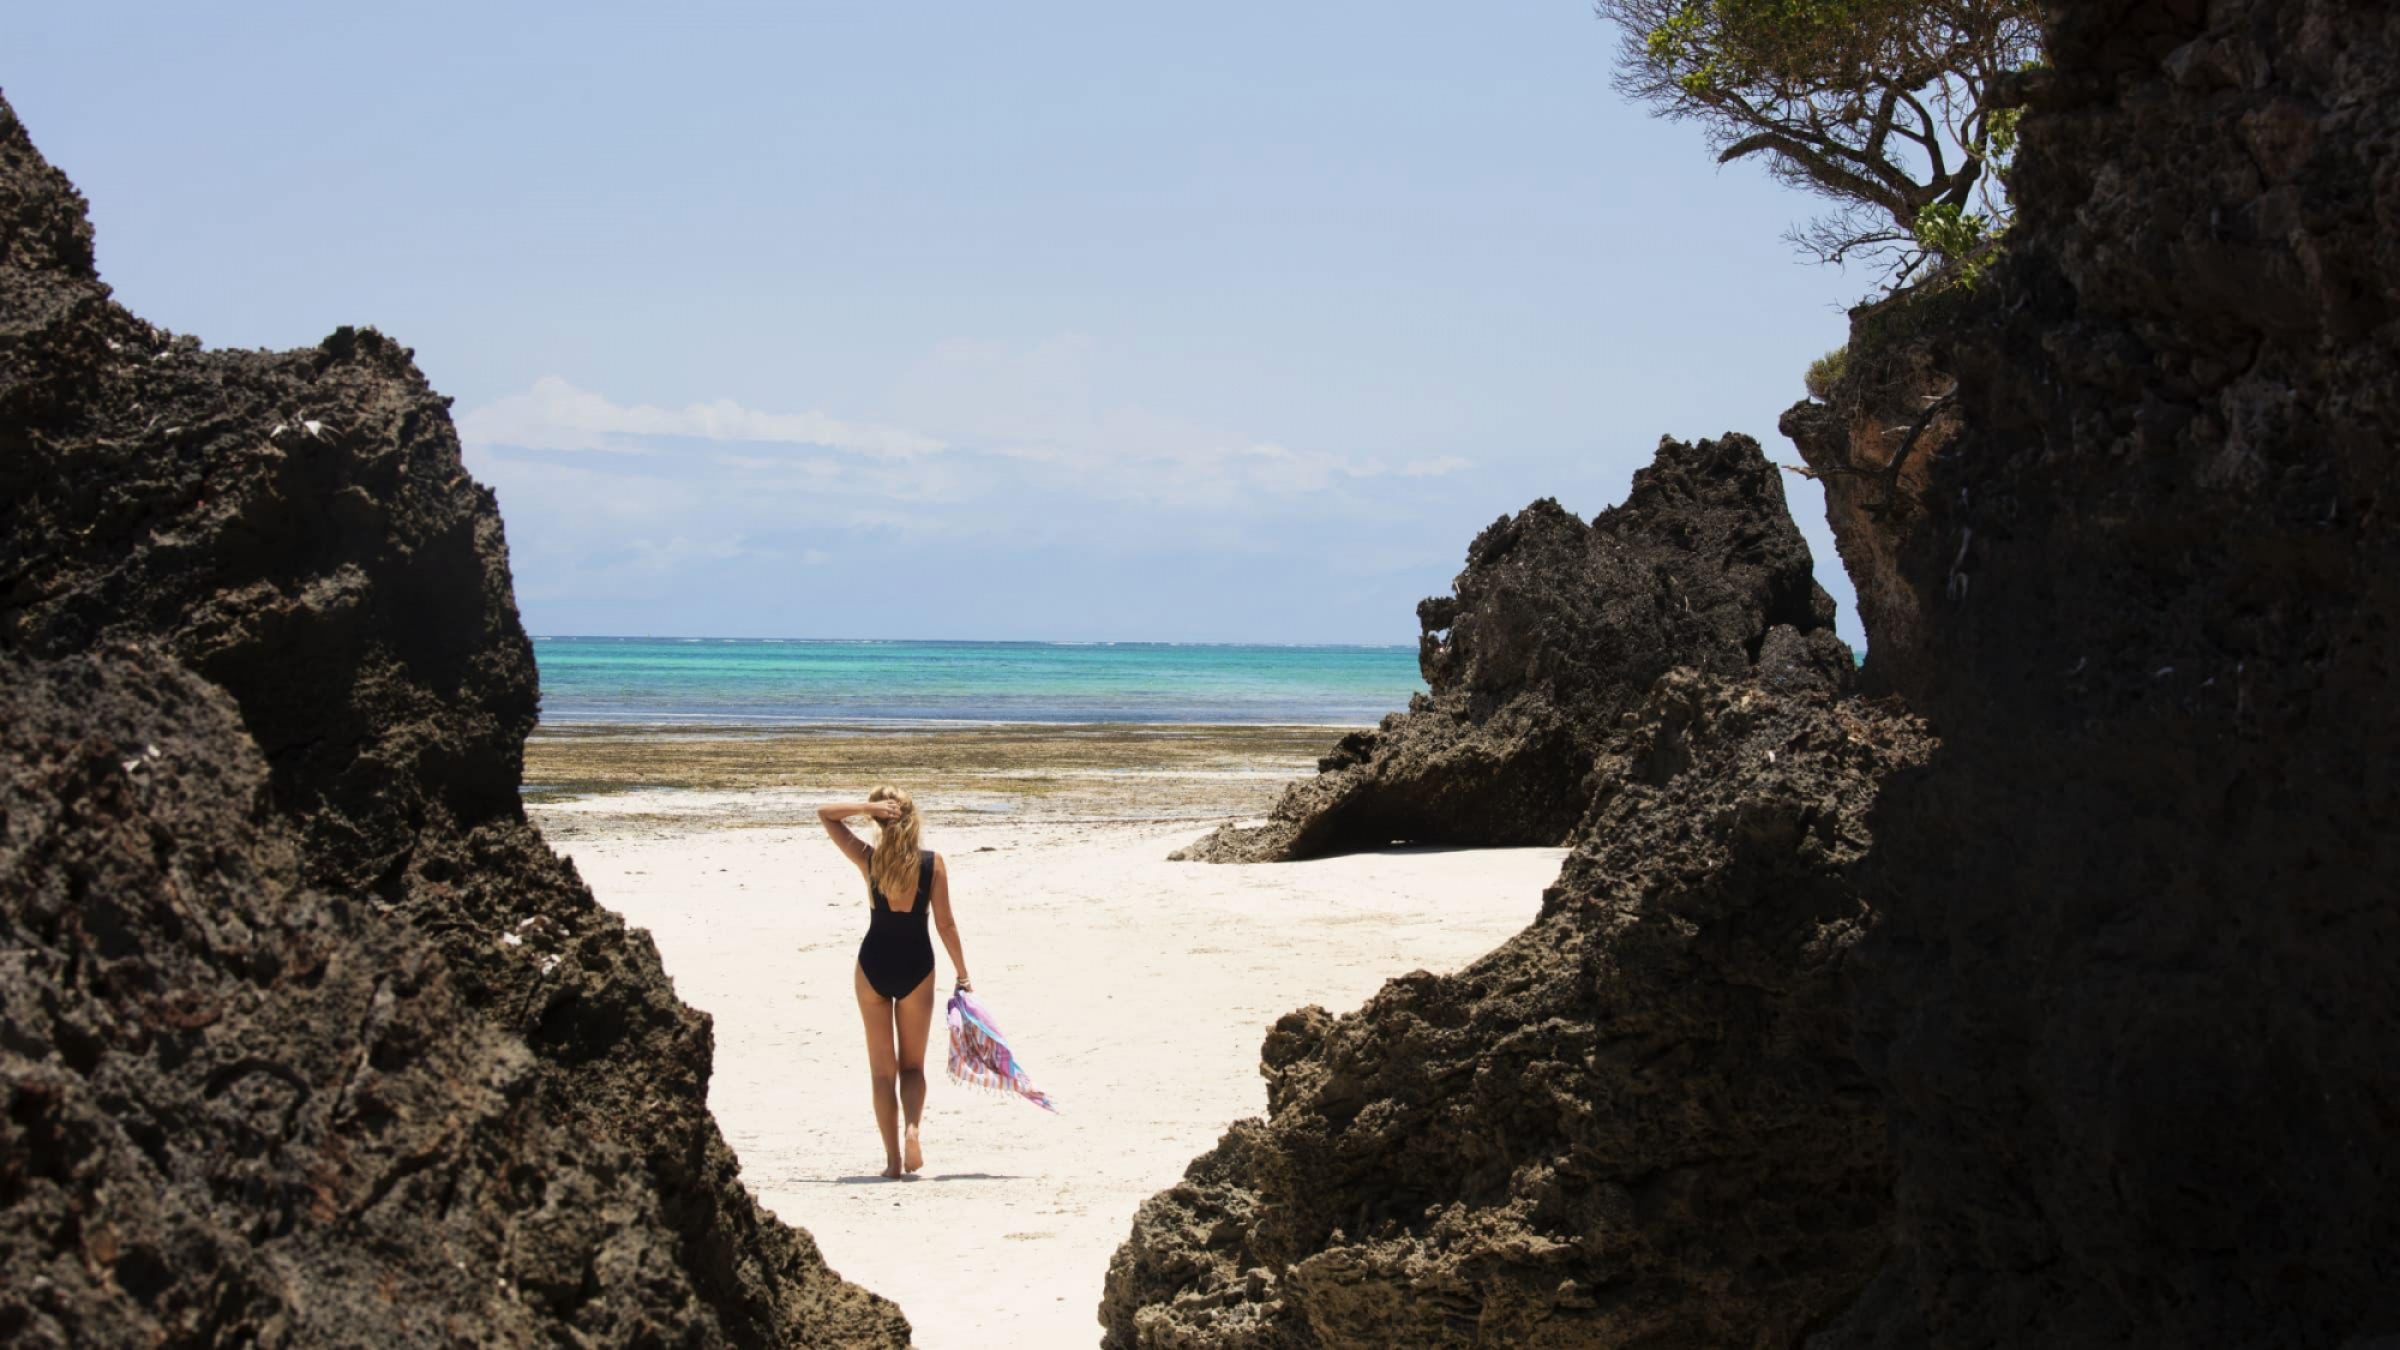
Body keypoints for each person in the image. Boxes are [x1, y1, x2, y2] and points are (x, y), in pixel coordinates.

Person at [817, 785, 970, 1179]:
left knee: (882, 1072)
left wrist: (866, 807)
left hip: (873, 965)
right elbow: (945, 924)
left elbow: (825, 813)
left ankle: (892, 1162)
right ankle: (913, 1129)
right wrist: (963, 973)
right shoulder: (932, 864)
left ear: (879, 819)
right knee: (913, 1068)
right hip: (917, 964)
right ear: (912, 816)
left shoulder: (869, 860)